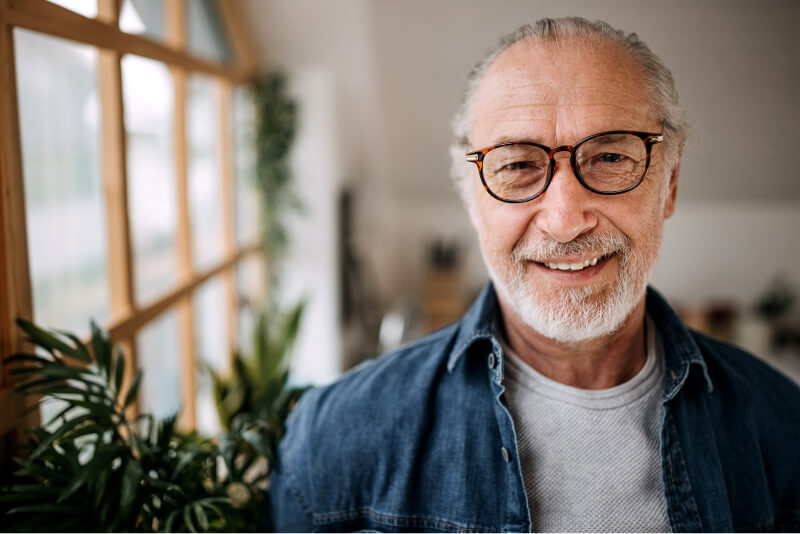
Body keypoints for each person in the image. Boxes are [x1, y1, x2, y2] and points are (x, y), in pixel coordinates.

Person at [269, 17, 800, 532]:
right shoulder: (333, 441)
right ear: (472, 201)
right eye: (519, 166)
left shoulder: (784, 433)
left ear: (671, 185)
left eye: (610, 156)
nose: (566, 220)